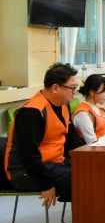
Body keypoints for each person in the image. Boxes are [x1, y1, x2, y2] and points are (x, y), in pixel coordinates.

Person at [3, 63, 82, 207]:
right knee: (84, 178)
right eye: (72, 88)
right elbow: (28, 155)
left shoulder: (64, 105)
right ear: (55, 88)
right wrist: (46, 184)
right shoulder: (32, 112)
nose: (74, 92)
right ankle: (89, 218)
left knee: (93, 169)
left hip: (55, 162)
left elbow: (71, 139)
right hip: (26, 172)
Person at [72, 74, 105, 144]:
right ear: (92, 92)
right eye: (104, 91)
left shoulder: (99, 108)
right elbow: (92, 142)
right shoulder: (83, 114)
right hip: (100, 148)